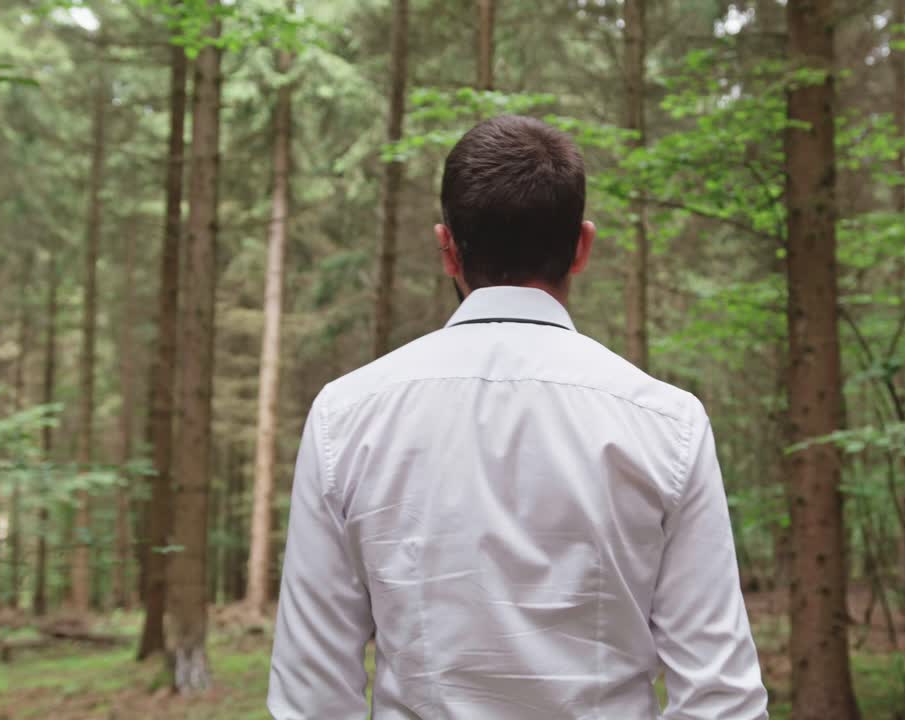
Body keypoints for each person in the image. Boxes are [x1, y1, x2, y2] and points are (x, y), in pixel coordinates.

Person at [268, 115, 767, 719]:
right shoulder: (667, 424)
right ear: (582, 246)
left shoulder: (346, 417)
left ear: (447, 247)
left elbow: (313, 696)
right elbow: (722, 698)